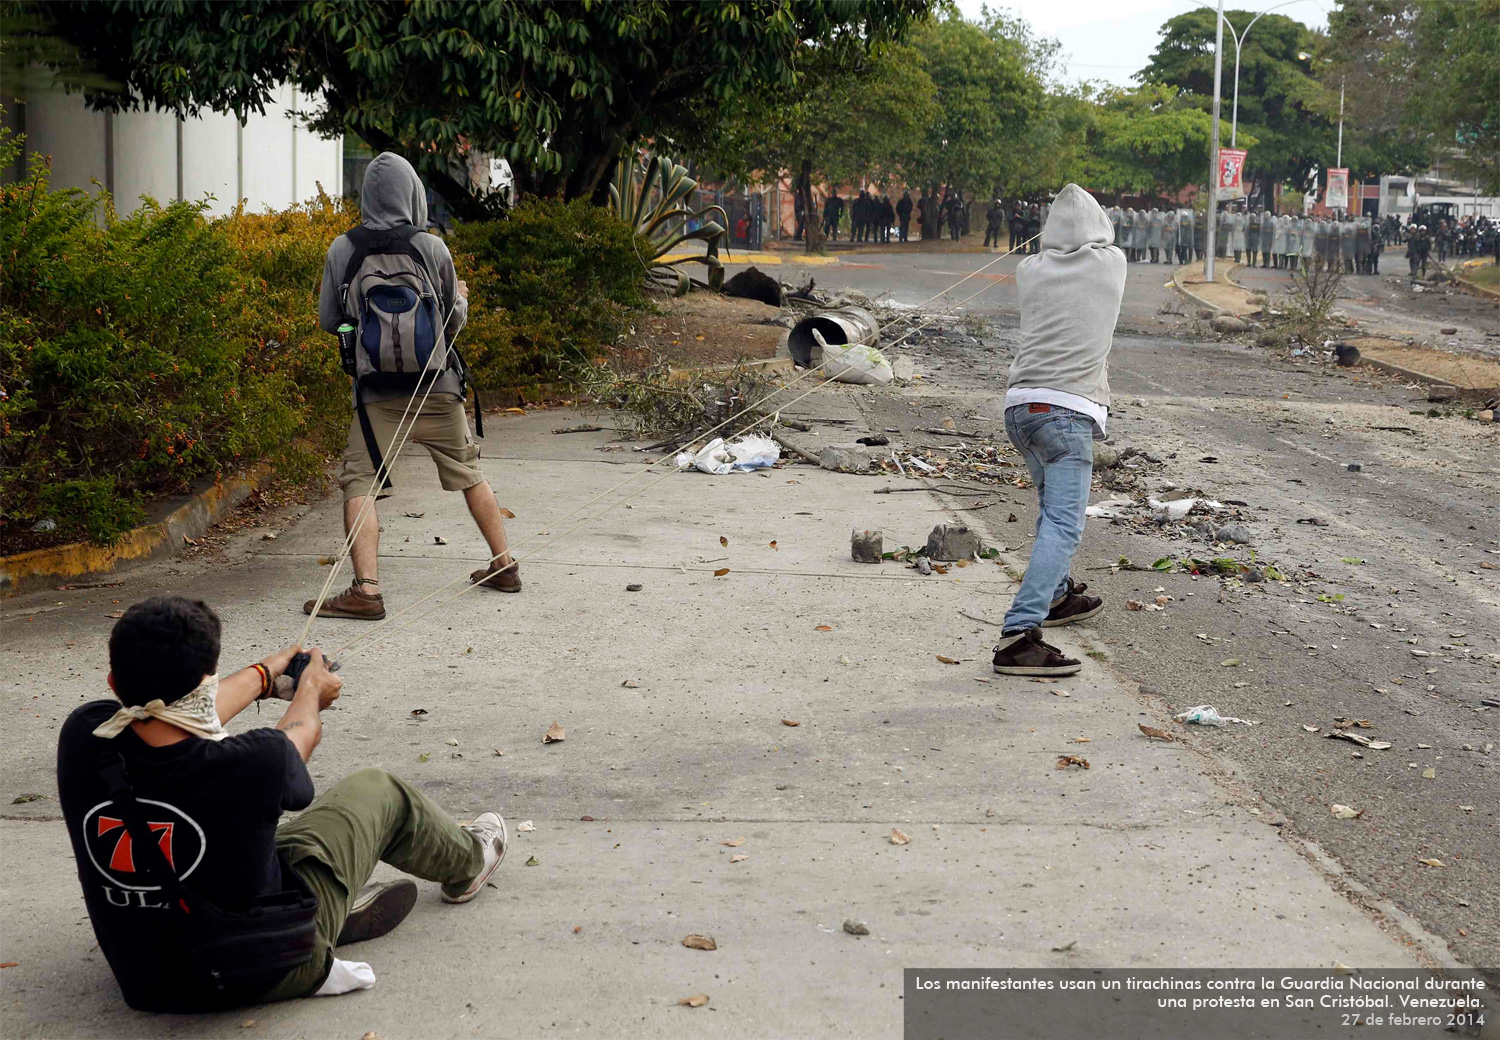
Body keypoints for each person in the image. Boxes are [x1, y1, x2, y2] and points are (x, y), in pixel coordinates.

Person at [57, 597, 510, 1012]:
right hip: (256, 973)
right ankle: (469, 862)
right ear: (207, 678)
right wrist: (311, 689)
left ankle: (330, 909)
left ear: (114, 680)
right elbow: (299, 733)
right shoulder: (256, 763)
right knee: (378, 790)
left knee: (258, 845)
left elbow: (173, 711)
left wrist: (264, 675)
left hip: (148, 979)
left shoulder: (85, 735)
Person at [307, 152, 515, 621]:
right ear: (413, 193)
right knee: (469, 472)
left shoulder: (344, 248)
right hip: (437, 385)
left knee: (360, 480)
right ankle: (504, 564)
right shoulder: (432, 247)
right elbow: (452, 319)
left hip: (376, 393)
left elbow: (328, 320)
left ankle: (367, 590)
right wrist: (459, 301)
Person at [991, 184, 1123, 678]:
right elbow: (1097, 244)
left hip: (1021, 409)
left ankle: (1058, 595)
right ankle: (1018, 635)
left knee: (1051, 512)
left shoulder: (1029, 269)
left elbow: (1052, 249)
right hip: (1065, 415)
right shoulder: (1112, 265)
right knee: (1064, 524)